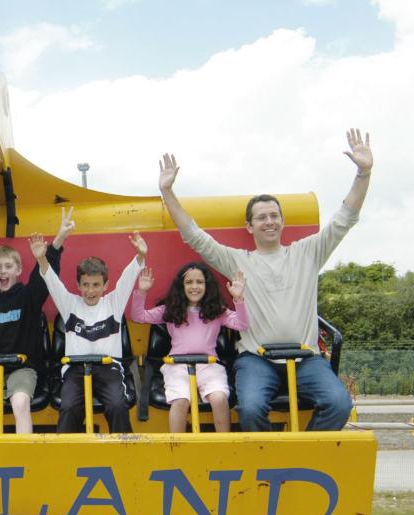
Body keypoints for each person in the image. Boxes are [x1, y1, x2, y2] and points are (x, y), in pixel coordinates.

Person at [158, 128, 373, 431]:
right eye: (261, 217)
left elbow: (344, 218)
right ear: (249, 226)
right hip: (257, 360)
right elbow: (194, 236)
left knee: (339, 405)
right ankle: (266, 467)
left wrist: (363, 173)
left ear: (282, 221)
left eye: (274, 215)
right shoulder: (238, 261)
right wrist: (167, 192)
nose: (269, 221)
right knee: (250, 409)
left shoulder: (308, 252)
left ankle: (299, 461)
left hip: (307, 359)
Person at [0, 207, 74, 434]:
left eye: (9, 267)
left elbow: (44, 276)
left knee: (20, 403)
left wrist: (58, 240)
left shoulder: (28, 297)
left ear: (19, 269)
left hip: (22, 369)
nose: (3, 272)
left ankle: (23, 458)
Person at [33, 230, 148, 433]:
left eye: (96, 285)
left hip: (108, 368)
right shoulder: (69, 304)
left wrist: (140, 255)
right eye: (85, 285)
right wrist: (42, 258)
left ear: (106, 286)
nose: (90, 291)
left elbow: (128, 278)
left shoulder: (114, 302)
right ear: (78, 285)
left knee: (117, 406)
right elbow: (51, 280)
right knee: (68, 407)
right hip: (75, 370)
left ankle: (125, 455)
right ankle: (69, 456)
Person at [130, 261, 248, 433]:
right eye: (189, 282)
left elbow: (242, 324)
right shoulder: (170, 310)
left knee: (219, 398)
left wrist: (238, 299)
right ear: (181, 286)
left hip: (209, 365)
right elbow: (138, 316)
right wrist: (142, 291)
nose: (194, 287)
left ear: (207, 286)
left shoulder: (217, 311)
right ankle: (178, 450)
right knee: (180, 400)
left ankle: (224, 448)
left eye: (199, 282)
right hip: (177, 366)